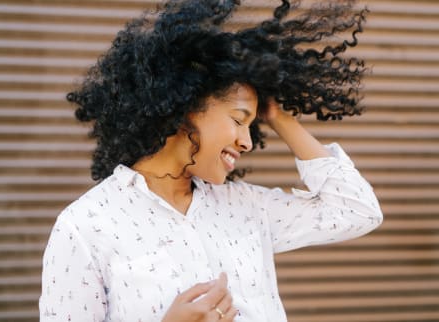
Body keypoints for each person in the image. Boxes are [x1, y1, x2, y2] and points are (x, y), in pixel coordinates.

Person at [39, 0, 383, 321]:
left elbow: (356, 211)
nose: (247, 142)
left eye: (253, 126)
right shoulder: (85, 226)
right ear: (185, 106)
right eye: (238, 120)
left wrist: (280, 117)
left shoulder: (246, 207)